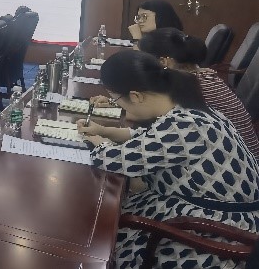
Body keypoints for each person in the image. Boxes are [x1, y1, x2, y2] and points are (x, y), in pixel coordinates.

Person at [77, 50, 259, 269]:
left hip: (221, 231)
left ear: (136, 96)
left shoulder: (183, 126)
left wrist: (95, 140)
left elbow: (111, 160)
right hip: (224, 213)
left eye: (117, 100)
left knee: (103, 237)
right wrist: (103, 130)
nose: (120, 107)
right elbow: (149, 139)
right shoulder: (189, 109)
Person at [93, 28, 259, 158]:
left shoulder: (193, 86)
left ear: (164, 61)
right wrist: (116, 102)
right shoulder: (195, 76)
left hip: (234, 161)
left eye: (144, 58)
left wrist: (115, 108)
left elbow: (143, 115)